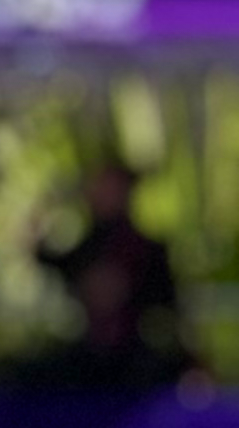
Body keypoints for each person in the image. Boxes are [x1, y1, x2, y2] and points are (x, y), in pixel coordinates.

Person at [35, 159, 184, 395]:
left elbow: (169, 310)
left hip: (135, 361)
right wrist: (53, 204)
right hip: (89, 358)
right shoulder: (85, 249)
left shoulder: (147, 250)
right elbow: (46, 257)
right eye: (98, 186)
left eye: (109, 187)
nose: (100, 193)